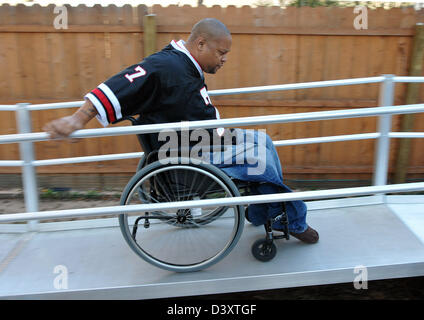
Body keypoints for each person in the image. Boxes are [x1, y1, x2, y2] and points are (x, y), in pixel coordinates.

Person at [43, 18, 319, 244]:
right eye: (221, 53)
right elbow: (119, 85)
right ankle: (291, 220)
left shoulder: (186, 64)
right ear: (201, 44)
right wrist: (77, 119)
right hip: (191, 155)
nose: (224, 60)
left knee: (263, 140)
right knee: (262, 163)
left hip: (208, 142)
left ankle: (263, 213)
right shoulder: (166, 66)